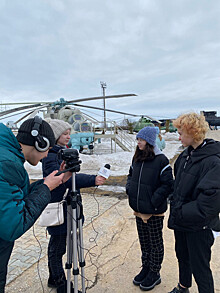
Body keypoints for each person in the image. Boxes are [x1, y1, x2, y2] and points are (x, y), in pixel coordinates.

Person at [0, 117, 69, 293]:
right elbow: (14, 225)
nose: (47, 155)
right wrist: (46, 188)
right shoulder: (7, 164)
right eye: (47, 149)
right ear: (39, 143)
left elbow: (13, 196)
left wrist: (49, 182)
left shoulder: (7, 156)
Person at [42, 119, 106, 289]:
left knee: (58, 246)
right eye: (64, 133)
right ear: (55, 136)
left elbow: (71, 177)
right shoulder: (50, 156)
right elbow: (64, 180)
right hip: (60, 209)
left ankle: (53, 278)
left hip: (67, 207)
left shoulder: (62, 152)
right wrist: (93, 180)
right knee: (57, 248)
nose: (68, 136)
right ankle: (61, 283)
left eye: (69, 133)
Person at [168, 113, 220, 293]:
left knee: (200, 267)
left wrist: (181, 211)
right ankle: (183, 287)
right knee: (182, 256)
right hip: (182, 221)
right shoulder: (185, 155)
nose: (179, 136)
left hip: (199, 226)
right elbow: (179, 185)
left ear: (194, 132)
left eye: (181, 132)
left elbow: (210, 202)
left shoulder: (214, 160)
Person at [126, 126, 173, 291]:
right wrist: (129, 190)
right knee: (144, 242)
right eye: (138, 139)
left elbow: (168, 185)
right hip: (139, 209)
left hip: (153, 211)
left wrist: (153, 201)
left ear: (150, 141)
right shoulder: (136, 158)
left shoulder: (161, 160)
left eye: (141, 139)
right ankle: (146, 267)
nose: (138, 142)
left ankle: (155, 272)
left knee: (155, 243)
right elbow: (130, 177)